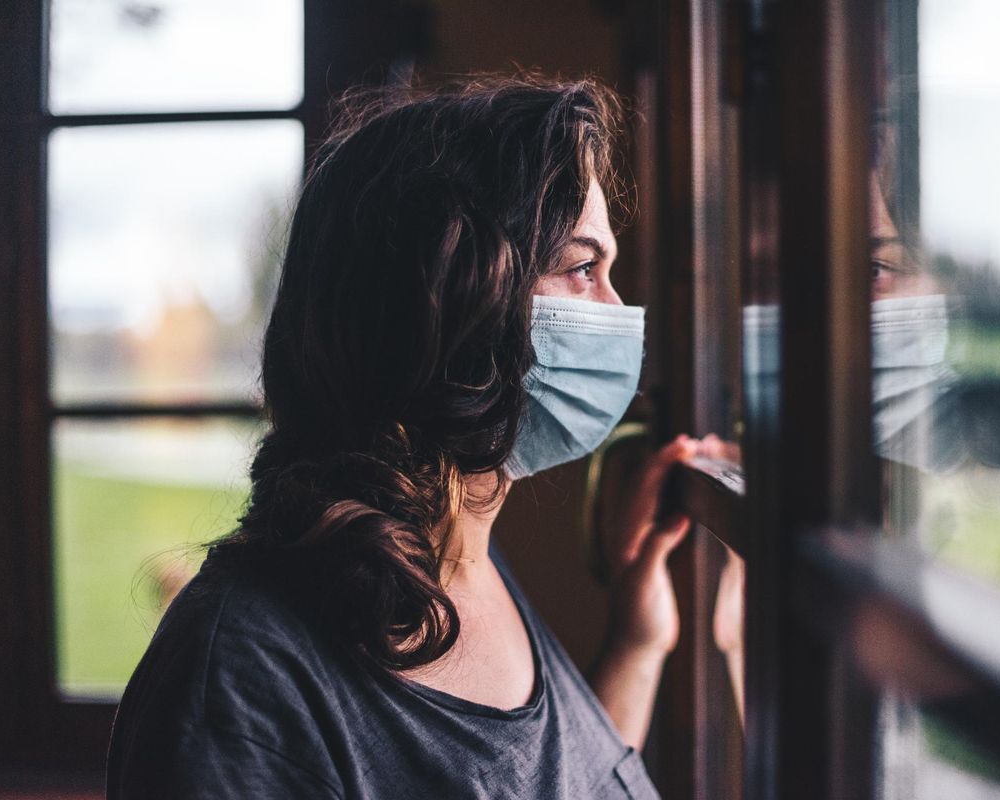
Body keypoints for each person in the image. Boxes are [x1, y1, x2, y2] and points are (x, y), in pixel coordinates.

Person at [106, 75, 718, 799]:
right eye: (584, 268)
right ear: (459, 295)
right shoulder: (239, 685)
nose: (619, 310)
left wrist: (639, 643)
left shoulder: (464, 565)